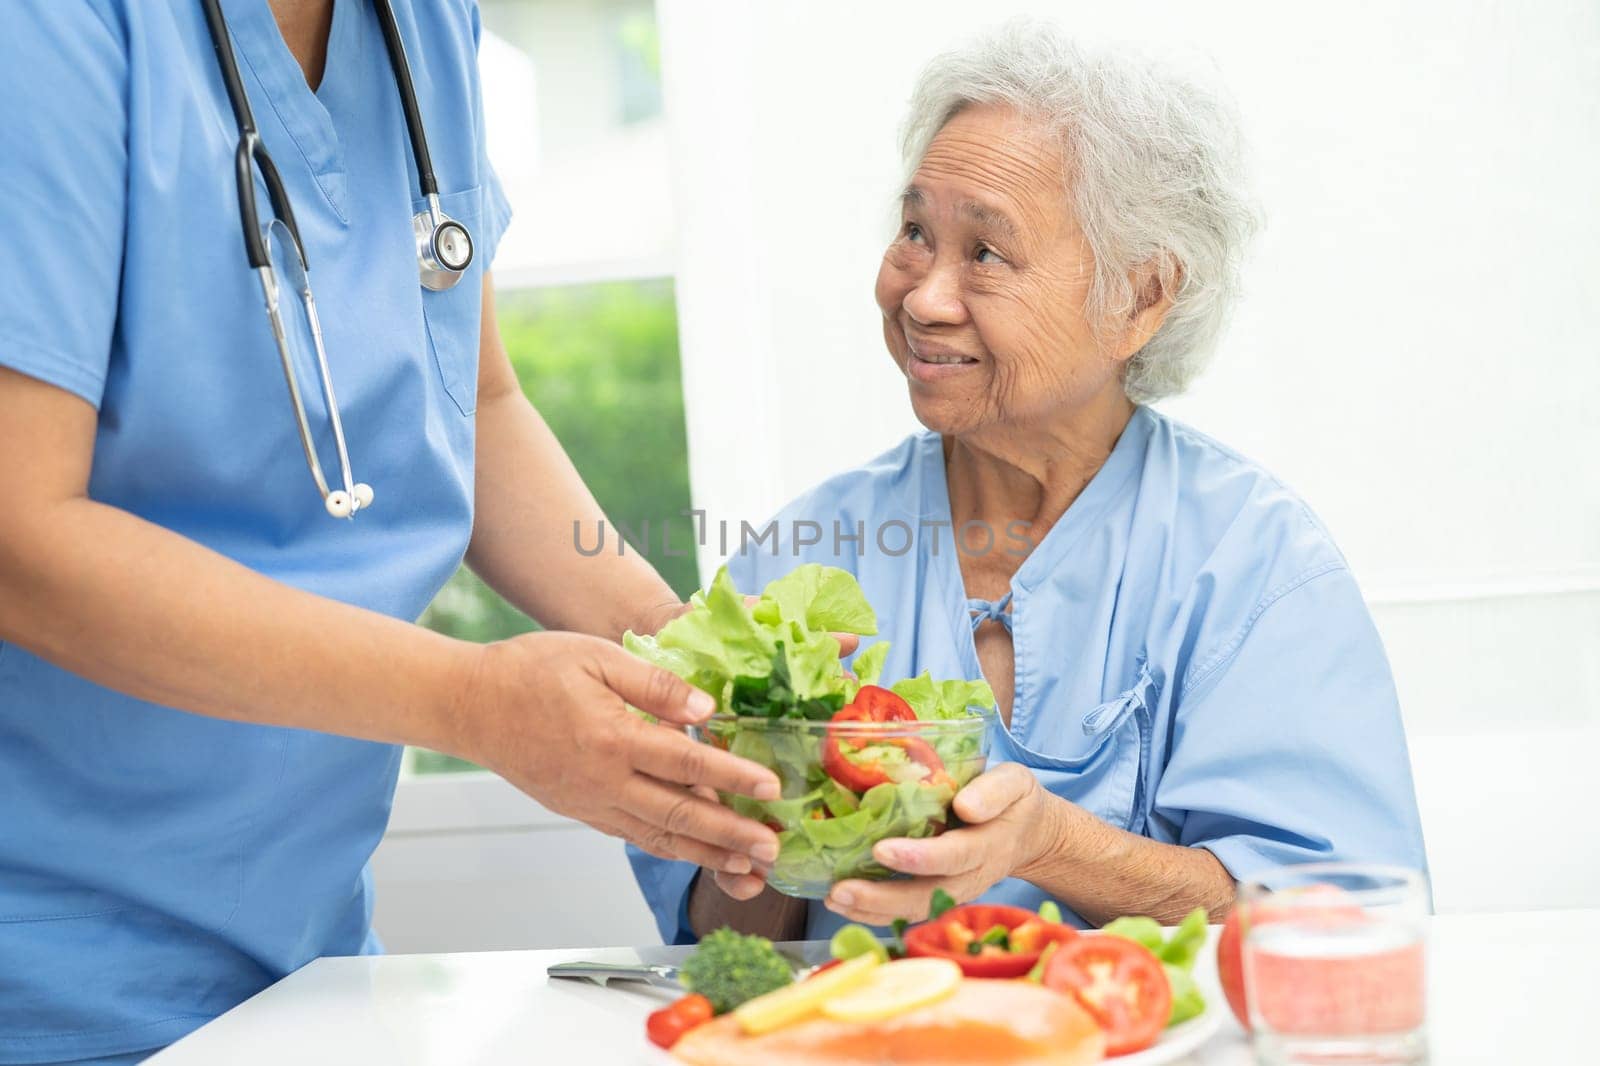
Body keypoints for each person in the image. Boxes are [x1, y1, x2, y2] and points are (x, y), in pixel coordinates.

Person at [0, 3, 788, 1062]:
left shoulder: (422, 24)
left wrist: (690, 659)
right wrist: (474, 704)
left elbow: (479, 405)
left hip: (306, 963)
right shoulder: (53, 33)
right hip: (50, 975)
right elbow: (20, 541)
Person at [630, 23, 1427, 944]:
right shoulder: (807, 552)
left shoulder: (1256, 560)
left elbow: (1339, 929)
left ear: (1140, 297)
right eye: (915, 233)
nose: (923, 295)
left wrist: (1046, 843)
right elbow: (718, 951)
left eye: (986, 254)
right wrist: (762, 809)